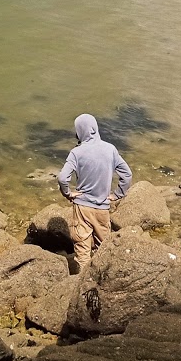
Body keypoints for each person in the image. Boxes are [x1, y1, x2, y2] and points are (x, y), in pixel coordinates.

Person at [57, 113, 132, 273]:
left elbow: (63, 178)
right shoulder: (110, 149)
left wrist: (68, 193)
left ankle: (83, 285)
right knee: (102, 248)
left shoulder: (76, 153)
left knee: (83, 251)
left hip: (82, 208)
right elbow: (127, 175)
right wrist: (117, 194)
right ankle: (100, 283)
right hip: (102, 208)